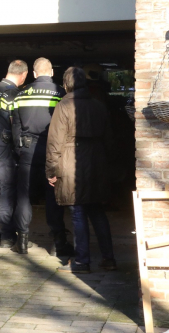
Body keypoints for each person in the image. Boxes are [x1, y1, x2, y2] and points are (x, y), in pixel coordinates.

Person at [46, 67, 116, 274]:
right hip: (96, 161)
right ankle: (109, 259)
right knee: (97, 210)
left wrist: (51, 170)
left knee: (77, 212)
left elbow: (55, 142)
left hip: (71, 162)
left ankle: (82, 261)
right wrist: (109, 165)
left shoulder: (63, 106)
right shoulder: (99, 106)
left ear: (66, 84)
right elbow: (109, 139)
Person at [10, 57, 72, 256]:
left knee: (24, 196)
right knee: (53, 196)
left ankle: (22, 241)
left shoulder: (21, 94)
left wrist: (19, 149)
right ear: (52, 72)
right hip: (52, 151)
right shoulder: (60, 93)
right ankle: (58, 244)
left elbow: (15, 125)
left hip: (27, 151)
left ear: (34, 74)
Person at [0, 60, 27, 247]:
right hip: (4, 145)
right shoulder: (12, 93)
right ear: (23, 75)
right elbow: (13, 122)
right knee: (7, 191)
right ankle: (7, 236)